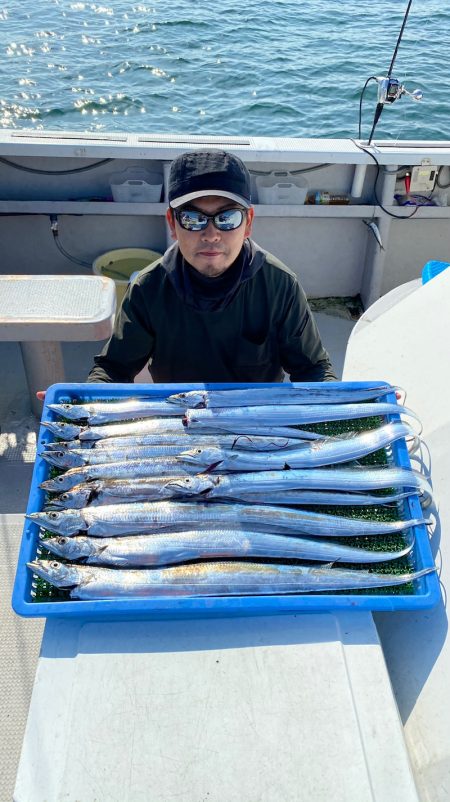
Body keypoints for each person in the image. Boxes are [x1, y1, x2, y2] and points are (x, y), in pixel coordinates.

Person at [87, 150, 336, 384]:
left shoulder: (280, 285)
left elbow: (312, 369)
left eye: (227, 218)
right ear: (172, 224)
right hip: (178, 418)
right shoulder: (148, 287)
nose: (211, 234)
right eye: (192, 219)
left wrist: (344, 411)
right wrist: (78, 406)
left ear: (248, 223)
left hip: (256, 420)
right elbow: (113, 369)